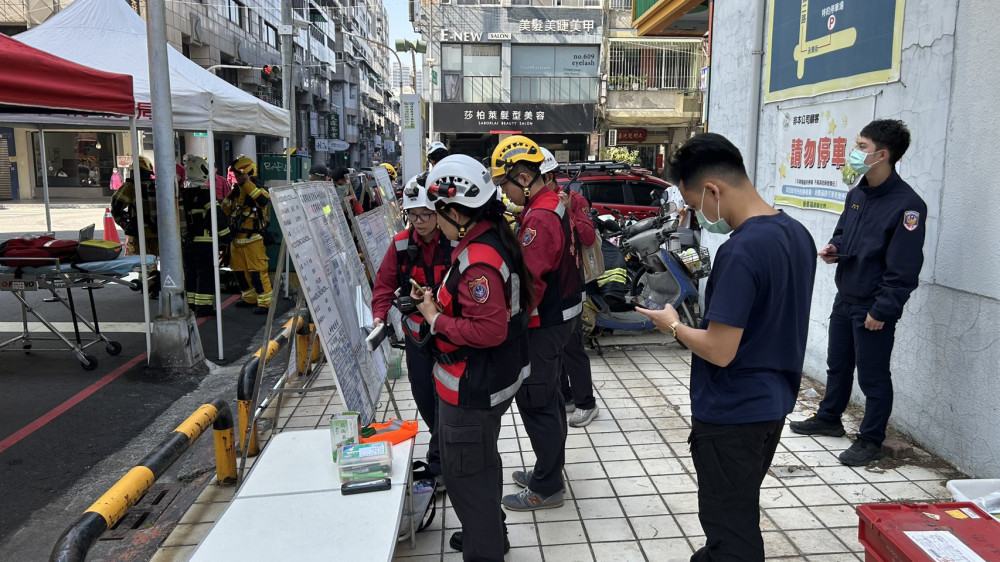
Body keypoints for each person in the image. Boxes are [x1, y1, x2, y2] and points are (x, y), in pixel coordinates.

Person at [637, 133, 816, 561]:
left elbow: (719, 349)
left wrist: (673, 326)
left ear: (714, 190)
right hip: (772, 404)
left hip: (732, 413)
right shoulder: (797, 235)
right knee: (736, 511)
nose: (700, 215)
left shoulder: (742, 251)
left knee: (731, 533)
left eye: (697, 205)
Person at [415, 154, 534, 560]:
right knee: (482, 470)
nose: (435, 220)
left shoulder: (479, 258)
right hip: (487, 382)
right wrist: (437, 303)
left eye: (437, 212)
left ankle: (485, 548)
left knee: (468, 482)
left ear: (454, 210)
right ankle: (490, 536)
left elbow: (488, 329)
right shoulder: (490, 237)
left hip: (470, 390)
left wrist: (435, 320)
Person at [789, 119, 926, 466]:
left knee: (873, 377)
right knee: (838, 365)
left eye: (861, 147)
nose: (853, 153)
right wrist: (835, 248)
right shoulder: (857, 194)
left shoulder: (908, 206)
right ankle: (829, 418)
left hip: (873, 305)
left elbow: (904, 269)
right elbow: (843, 234)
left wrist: (883, 310)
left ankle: (870, 439)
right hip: (845, 297)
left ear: (882, 155)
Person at [492, 136, 583, 511]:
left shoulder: (541, 217)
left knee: (537, 402)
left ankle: (546, 486)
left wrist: (504, 325)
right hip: (563, 316)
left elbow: (530, 281)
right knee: (550, 400)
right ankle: (549, 471)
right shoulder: (552, 203)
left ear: (525, 176)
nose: (504, 193)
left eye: (505, 184)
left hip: (544, 323)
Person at [371, 172, 455, 484]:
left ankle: (442, 461)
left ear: (439, 213)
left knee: (448, 397)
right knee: (423, 395)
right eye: (412, 215)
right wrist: (380, 315)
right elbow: (383, 287)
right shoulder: (401, 245)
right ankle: (442, 447)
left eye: (425, 214)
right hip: (418, 337)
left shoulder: (457, 241)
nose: (418, 221)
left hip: (451, 334)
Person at [537, 148, 600, 427]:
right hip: (554, 291)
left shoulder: (574, 200)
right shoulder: (539, 204)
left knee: (573, 348)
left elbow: (587, 235)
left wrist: (566, 211)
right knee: (558, 349)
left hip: (572, 286)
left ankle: (587, 403)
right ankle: (567, 395)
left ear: (549, 177)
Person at [181, 156, 232, 317]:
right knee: (206, 274)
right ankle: (204, 308)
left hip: (186, 243)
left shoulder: (182, 194)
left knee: (190, 274)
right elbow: (218, 219)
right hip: (205, 243)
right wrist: (227, 239)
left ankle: (190, 305)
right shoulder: (206, 195)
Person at [222, 156, 272, 314]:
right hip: (237, 240)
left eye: (239, 175)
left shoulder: (257, 190)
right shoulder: (235, 193)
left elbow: (263, 201)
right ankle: (249, 298)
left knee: (257, 272)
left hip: (253, 239)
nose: (236, 178)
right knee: (239, 271)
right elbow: (224, 210)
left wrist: (246, 183)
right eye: (236, 175)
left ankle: (265, 303)